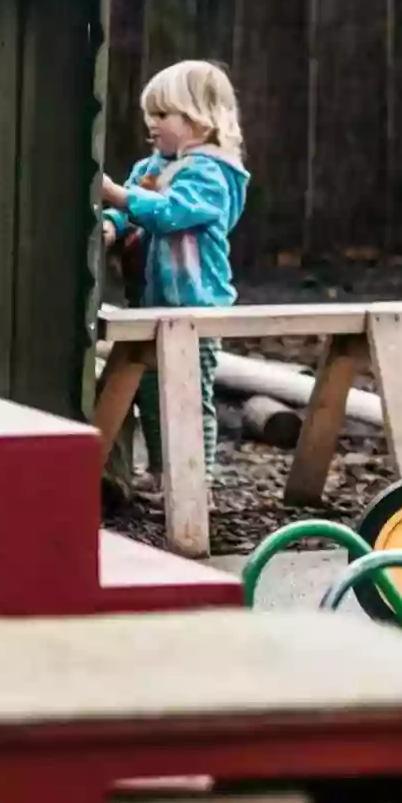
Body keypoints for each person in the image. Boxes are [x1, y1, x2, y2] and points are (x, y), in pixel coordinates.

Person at [100, 60, 250, 494]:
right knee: (149, 391)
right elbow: (132, 211)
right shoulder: (151, 167)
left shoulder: (211, 173)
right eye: (150, 113)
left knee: (188, 393)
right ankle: (163, 471)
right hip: (152, 301)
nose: (152, 123)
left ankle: (194, 478)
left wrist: (117, 195)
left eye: (163, 114)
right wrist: (112, 221)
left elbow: (168, 213)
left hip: (195, 304)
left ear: (201, 120)